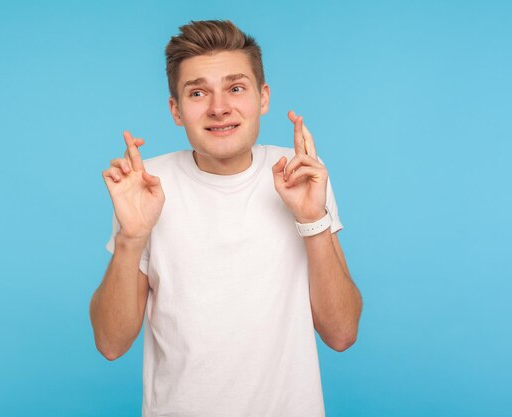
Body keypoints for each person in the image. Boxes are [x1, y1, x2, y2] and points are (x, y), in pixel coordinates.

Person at [90, 19, 362, 417]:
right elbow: (110, 344)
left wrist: (312, 219)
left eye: (236, 88)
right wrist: (132, 238)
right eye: (198, 92)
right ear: (176, 110)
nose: (219, 108)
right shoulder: (147, 185)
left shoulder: (299, 173)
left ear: (263, 98)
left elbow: (341, 334)